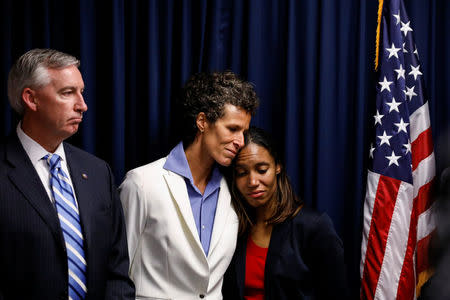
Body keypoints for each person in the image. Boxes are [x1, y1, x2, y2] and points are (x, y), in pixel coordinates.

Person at [0, 49, 135, 300]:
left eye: (81, 92)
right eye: (68, 93)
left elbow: (117, 270)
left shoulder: (97, 172)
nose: (82, 105)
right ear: (31, 99)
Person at [119, 71, 259, 299]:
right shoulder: (142, 183)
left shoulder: (233, 192)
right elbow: (117, 273)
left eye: (244, 132)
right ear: (202, 122)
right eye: (233, 129)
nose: (241, 142)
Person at [222, 127, 347, 300]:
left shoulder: (314, 227)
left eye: (262, 169)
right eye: (242, 173)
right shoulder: (232, 228)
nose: (252, 181)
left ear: (278, 166)